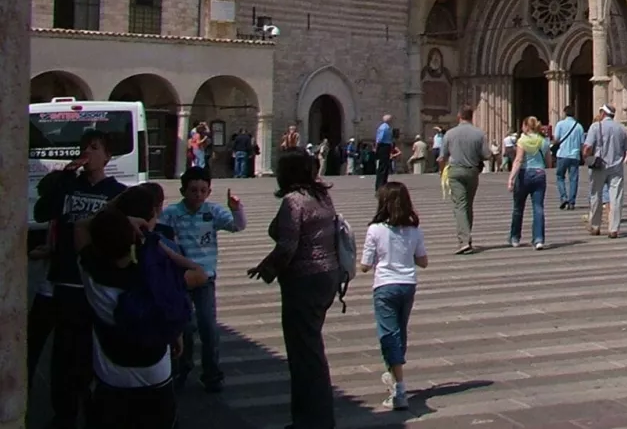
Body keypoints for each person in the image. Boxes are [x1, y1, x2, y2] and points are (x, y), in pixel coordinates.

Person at [79, 199, 208, 427]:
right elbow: (199, 272)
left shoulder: (90, 273)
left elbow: (81, 226)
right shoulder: (159, 281)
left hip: (112, 378)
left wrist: (122, 220)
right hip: (155, 376)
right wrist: (156, 243)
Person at [34, 129, 128, 428]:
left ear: (107, 156)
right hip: (66, 281)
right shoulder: (68, 186)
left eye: (94, 148)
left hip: (96, 284)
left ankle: (94, 411)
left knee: (92, 355)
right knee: (63, 354)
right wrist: (64, 176)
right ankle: (64, 414)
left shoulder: (117, 192)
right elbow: (42, 212)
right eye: (83, 147)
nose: (87, 153)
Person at [248, 150, 341, 429]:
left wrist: (265, 269)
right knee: (310, 348)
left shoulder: (293, 201)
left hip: (304, 280)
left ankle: (313, 420)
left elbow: (287, 245)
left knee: (304, 354)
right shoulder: (322, 196)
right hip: (328, 275)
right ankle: (312, 417)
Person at [160, 167, 246, 392]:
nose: (197, 195)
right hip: (181, 278)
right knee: (185, 326)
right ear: (183, 191)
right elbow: (159, 236)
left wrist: (236, 210)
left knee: (208, 326)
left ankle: (212, 373)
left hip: (205, 278)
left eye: (202, 190)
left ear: (209, 192)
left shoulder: (212, 212)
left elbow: (237, 226)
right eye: (193, 190)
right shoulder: (172, 213)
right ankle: (182, 365)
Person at [361, 183, 428, 412]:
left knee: (388, 334)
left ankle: (399, 388)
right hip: (408, 284)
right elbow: (423, 261)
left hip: (385, 285)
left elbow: (365, 265)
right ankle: (393, 374)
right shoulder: (413, 229)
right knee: (400, 330)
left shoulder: (375, 229)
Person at [441, 104, 491, 252]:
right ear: (471, 116)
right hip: (472, 171)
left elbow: (442, 156)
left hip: (455, 171)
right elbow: (486, 155)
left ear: (459, 116)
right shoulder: (479, 134)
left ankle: (464, 240)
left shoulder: (449, 133)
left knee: (460, 206)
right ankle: (467, 237)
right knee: (468, 205)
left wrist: (441, 170)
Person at [584, 105, 627, 238]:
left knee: (596, 195)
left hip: (599, 166)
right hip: (616, 166)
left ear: (603, 113)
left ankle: (595, 226)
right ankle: (613, 228)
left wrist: (585, 157)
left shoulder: (595, 127)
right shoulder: (621, 128)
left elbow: (587, 147)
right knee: (616, 197)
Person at [507, 117, 550, 248]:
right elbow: (549, 161)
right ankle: (538, 239)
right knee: (538, 207)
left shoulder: (522, 140)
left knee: (518, 207)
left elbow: (518, 160)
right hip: (540, 174)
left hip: (524, 174)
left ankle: (515, 237)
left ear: (526, 126)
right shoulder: (544, 141)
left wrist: (511, 178)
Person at [552, 105, 585, 208]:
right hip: (575, 156)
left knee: (560, 177)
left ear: (564, 113)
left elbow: (556, 139)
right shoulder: (579, 126)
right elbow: (582, 143)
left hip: (562, 154)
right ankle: (572, 202)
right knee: (573, 179)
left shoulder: (560, 124)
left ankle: (563, 197)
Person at [374, 112, 396, 188]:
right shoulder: (384, 128)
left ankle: (383, 182)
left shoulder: (387, 127)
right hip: (383, 146)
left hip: (386, 146)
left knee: (385, 166)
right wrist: (376, 148)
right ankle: (380, 184)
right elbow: (379, 139)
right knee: (382, 166)